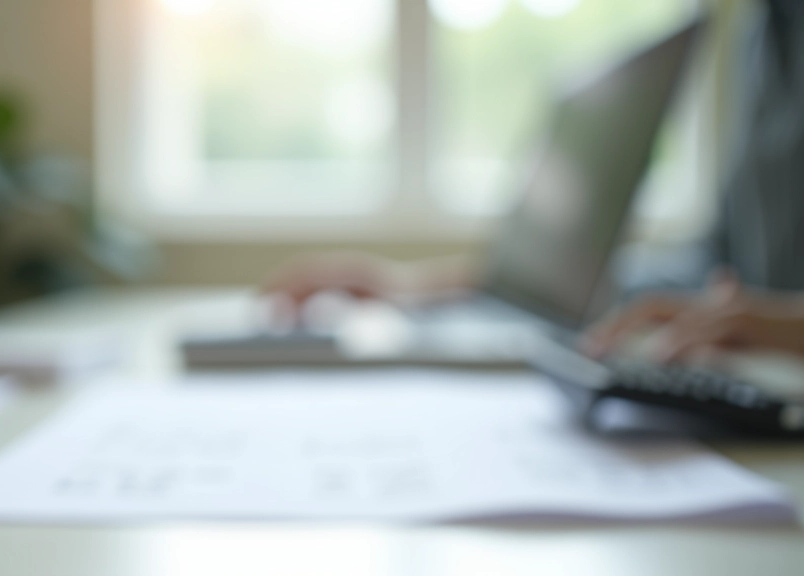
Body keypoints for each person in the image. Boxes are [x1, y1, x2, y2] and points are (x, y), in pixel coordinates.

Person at [264, 0, 804, 363]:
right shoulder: (765, 28)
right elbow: (713, 269)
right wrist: (421, 287)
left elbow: (750, 306)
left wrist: (785, 325)